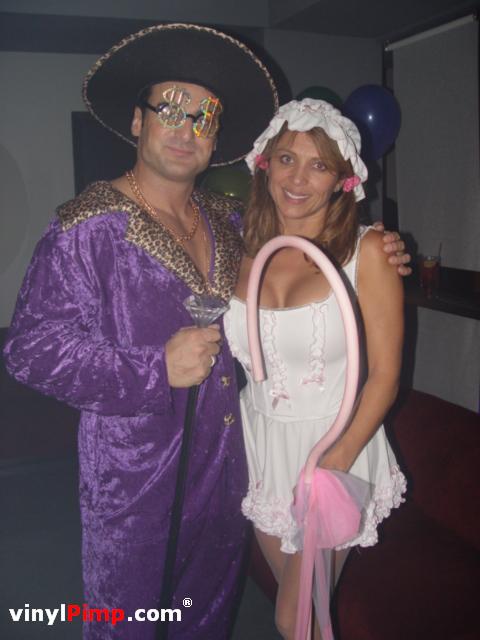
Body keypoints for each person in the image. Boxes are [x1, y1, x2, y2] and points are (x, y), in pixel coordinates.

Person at [3, 23, 409, 640]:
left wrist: (383, 246)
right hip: (136, 483)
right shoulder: (86, 228)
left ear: (217, 138)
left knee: (205, 621)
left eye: (204, 118)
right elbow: (29, 351)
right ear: (137, 121)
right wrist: (153, 369)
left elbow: (312, 234)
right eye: (170, 110)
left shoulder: (228, 222)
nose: (186, 129)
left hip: (228, 473)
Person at [223, 98, 407, 639]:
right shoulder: (236, 251)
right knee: (305, 613)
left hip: (334, 449)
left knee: (293, 617)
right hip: (262, 449)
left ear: (342, 181)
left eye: (318, 165)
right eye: (286, 159)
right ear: (264, 164)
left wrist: (334, 462)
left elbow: (386, 377)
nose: (298, 178)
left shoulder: (367, 252)